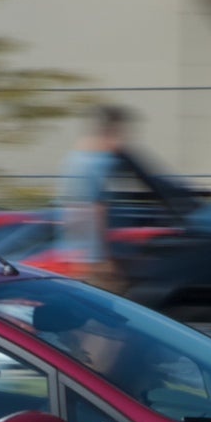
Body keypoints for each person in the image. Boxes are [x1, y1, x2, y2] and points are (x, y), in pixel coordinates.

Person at [55, 104, 134, 292]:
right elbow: (95, 209)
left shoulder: (75, 158)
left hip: (74, 252)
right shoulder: (100, 160)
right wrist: (103, 256)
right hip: (92, 256)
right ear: (112, 129)